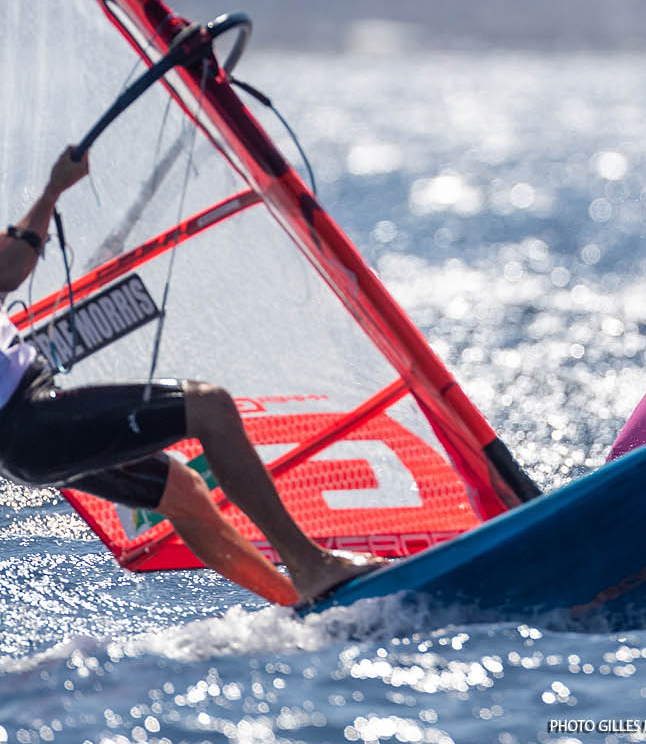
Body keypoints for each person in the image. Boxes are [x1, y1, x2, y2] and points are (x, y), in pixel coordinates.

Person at [0, 146, 382, 605]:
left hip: (23, 434)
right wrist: (53, 190)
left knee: (184, 492)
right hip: (27, 422)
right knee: (210, 406)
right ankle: (310, 565)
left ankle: (300, 604)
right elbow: (10, 269)